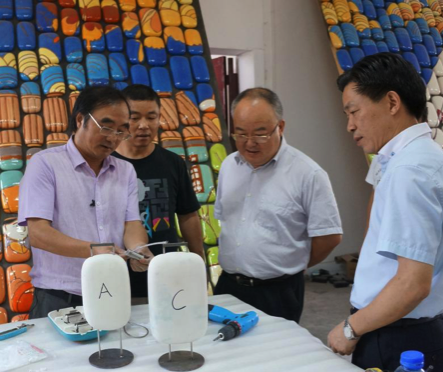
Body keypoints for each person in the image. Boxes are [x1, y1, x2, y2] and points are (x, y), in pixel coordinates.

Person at [327, 53, 443, 372]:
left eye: (353, 111)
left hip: (401, 337)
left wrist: (350, 328)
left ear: (392, 101)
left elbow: (412, 284)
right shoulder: (414, 159)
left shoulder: (411, 170)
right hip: (409, 330)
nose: (349, 125)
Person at [18, 86, 152, 319]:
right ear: (81, 120)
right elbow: (37, 234)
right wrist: (95, 250)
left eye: (122, 131)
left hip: (113, 290)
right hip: (59, 296)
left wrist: (139, 249)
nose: (113, 138)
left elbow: (131, 223)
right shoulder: (45, 164)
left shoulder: (126, 171)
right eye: (107, 126)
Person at [214, 88, 343, 323]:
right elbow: (225, 220)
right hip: (229, 286)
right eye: (240, 134)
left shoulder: (308, 174)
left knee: (275, 356)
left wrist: (296, 263)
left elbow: (329, 236)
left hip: (277, 292)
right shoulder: (228, 166)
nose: (249, 143)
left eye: (260, 134)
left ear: (280, 127)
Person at [113, 85, 204, 301]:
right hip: (118, 275)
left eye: (151, 117)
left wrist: (198, 259)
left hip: (166, 272)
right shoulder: (107, 164)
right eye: (135, 118)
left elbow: (188, 214)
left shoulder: (173, 163)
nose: (144, 126)